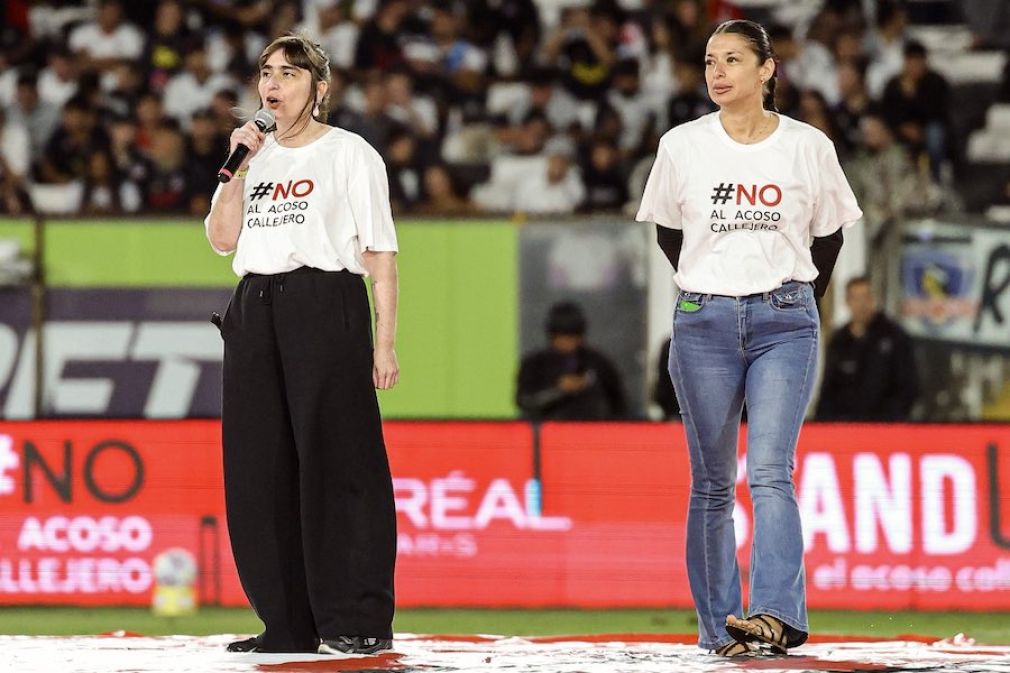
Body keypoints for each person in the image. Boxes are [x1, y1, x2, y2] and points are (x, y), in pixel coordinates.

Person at [636, 20, 861, 657]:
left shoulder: (807, 146)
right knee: (711, 483)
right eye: (710, 61)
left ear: (767, 69)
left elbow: (829, 236)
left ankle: (775, 617)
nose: (718, 72)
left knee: (769, 471)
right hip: (702, 323)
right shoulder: (681, 145)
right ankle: (719, 631)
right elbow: (669, 233)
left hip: (784, 320)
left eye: (733, 59)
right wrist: (710, 285)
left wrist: (796, 296)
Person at [204, 34, 399, 656]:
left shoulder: (349, 153)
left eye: (290, 73)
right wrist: (236, 169)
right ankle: (285, 622)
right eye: (267, 72)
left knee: (340, 462)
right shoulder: (251, 156)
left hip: (324, 301)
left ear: (319, 87)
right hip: (254, 306)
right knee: (258, 469)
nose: (273, 83)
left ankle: (354, 618)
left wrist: (384, 343)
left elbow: (380, 255)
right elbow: (221, 239)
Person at [816, 276, 919, 421]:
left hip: (884, 425)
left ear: (874, 299)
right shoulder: (839, 341)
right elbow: (828, 389)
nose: (861, 304)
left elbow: (908, 386)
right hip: (844, 425)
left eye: (866, 297)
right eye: (856, 298)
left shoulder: (894, 337)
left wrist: (890, 420)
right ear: (847, 301)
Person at [516, 301, 626, 420]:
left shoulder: (598, 363)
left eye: (572, 337)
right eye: (562, 337)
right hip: (549, 428)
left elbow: (618, 404)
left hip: (592, 428)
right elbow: (525, 401)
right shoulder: (535, 364)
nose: (567, 343)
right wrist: (558, 390)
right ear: (552, 336)